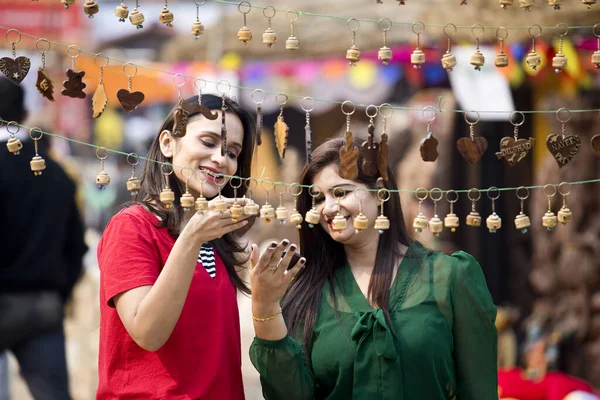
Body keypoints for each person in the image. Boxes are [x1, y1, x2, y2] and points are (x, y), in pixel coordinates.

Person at [249, 138, 499, 399]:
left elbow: (479, 390)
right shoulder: (309, 293)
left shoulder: (450, 276)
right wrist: (264, 307)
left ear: (380, 193)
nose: (328, 208)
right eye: (318, 198)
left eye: (341, 192)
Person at [96, 94, 257, 399]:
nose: (222, 160)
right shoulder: (132, 226)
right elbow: (148, 333)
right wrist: (191, 239)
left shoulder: (217, 237)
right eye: (208, 142)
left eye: (233, 152)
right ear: (168, 144)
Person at [0, 77, 87, 399]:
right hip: (43, 304)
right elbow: (76, 246)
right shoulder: (56, 173)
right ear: (23, 114)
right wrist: (58, 293)